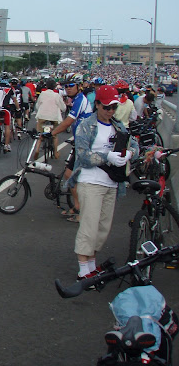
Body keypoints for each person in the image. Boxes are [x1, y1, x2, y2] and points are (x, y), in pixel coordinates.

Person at [67, 85, 139, 280]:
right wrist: (107, 157)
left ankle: (92, 264)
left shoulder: (118, 126)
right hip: (90, 181)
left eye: (114, 107)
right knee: (89, 226)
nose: (110, 111)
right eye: (107, 107)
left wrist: (129, 153)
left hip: (112, 183)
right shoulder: (86, 125)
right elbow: (82, 155)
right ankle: (84, 270)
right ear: (97, 104)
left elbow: (134, 145)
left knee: (103, 228)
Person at [49, 72, 93, 222]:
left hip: (85, 144)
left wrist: (52, 133)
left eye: (71, 85)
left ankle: (81, 210)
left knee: (73, 176)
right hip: (80, 141)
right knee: (70, 175)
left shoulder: (80, 100)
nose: (68, 88)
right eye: (66, 86)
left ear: (79, 86)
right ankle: (77, 206)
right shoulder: (75, 100)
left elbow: (68, 121)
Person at [33, 78, 67, 160]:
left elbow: (37, 106)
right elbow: (63, 108)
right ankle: (55, 152)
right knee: (54, 135)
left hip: (42, 116)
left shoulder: (42, 94)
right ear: (54, 87)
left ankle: (37, 150)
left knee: (40, 135)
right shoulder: (56, 95)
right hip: (54, 117)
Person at [0, 78, 20, 153]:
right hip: (5, 109)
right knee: (7, 126)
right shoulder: (10, 88)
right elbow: (15, 100)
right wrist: (18, 109)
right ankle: (6, 145)